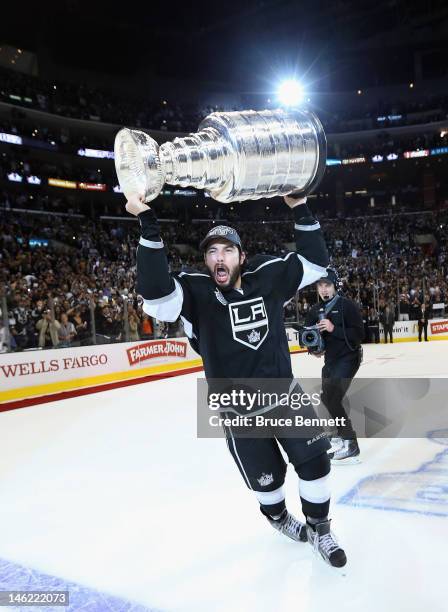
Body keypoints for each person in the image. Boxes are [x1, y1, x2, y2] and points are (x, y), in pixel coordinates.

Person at [127, 191, 347, 568]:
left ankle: (320, 527)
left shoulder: (268, 275)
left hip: (284, 393)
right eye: (211, 252)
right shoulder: (195, 290)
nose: (218, 258)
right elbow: (155, 295)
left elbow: (315, 262)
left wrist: (299, 206)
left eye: (227, 250)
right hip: (238, 407)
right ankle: (278, 518)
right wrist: (148, 223)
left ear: (241, 256)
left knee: (316, 464)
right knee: (268, 483)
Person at [305, 268, 364, 464]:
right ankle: (341, 434)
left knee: (333, 397)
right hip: (330, 360)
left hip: (349, 357)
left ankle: (350, 442)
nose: (323, 289)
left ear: (335, 286)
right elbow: (309, 339)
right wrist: (313, 349)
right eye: (320, 285)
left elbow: (359, 335)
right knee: (327, 397)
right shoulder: (314, 311)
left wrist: (333, 329)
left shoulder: (347, 306)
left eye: (327, 285)